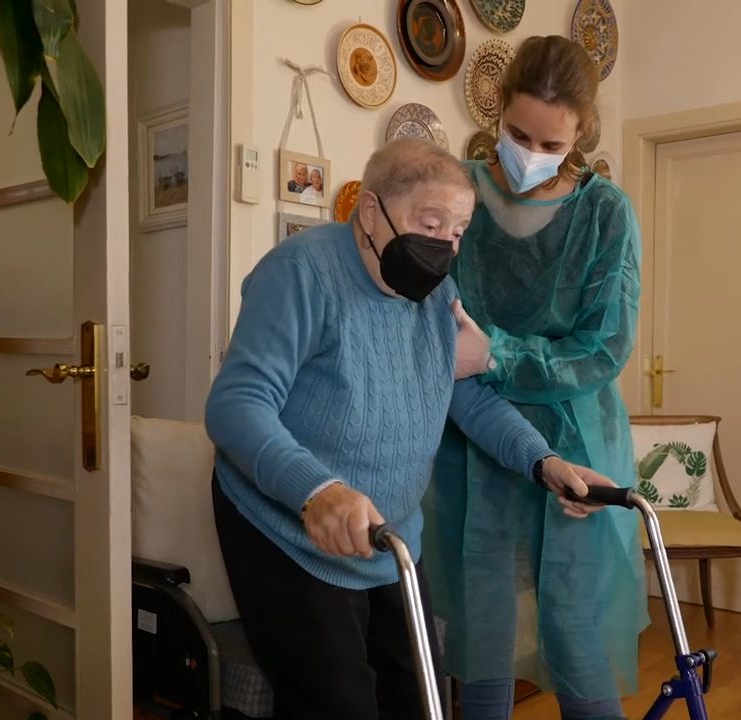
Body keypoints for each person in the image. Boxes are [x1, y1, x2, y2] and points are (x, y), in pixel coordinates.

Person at [206, 138, 616, 720]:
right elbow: (236, 405)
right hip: (288, 530)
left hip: (389, 534)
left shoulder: (435, 295)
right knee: (339, 702)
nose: (444, 246)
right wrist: (317, 490)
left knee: (420, 698)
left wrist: (544, 462)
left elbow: (465, 396)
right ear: (370, 211)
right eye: (430, 222)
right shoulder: (301, 272)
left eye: (458, 232)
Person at [423, 35, 648, 720]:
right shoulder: (457, 193)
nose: (530, 155)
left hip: (577, 438)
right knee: (482, 628)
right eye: (519, 134)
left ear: (582, 133)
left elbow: (603, 348)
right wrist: (475, 362)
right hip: (476, 440)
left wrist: (495, 355)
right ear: (496, 108)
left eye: (551, 145)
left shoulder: (604, 212)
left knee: (577, 631)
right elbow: (436, 327)